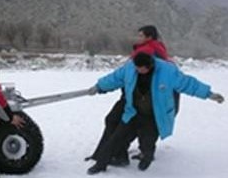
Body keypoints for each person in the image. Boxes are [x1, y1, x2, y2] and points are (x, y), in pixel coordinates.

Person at [86, 52, 224, 175]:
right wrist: (98, 87)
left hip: (153, 115)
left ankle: (146, 158)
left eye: (142, 69)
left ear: (150, 65)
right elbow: (114, 78)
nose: (139, 71)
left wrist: (209, 94)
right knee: (116, 138)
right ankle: (101, 164)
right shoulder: (130, 68)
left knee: (147, 142)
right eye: (137, 68)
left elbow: (188, 84)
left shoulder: (167, 71)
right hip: (133, 112)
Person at [85, 25, 176, 166]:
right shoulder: (156, 49)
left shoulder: (148, 51)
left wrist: (100, 87)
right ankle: (109, 154)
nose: (137, 38)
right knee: (119, 122)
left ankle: (115, 156)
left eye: (140, 35)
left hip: (141, 97)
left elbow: (122, 75)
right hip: (139, 95)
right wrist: (101, 86)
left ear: (149, 37)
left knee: (120, 122)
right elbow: (123, 75)